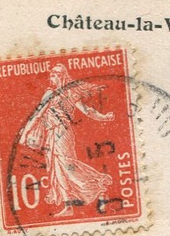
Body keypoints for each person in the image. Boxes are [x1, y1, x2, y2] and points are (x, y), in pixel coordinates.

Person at [20, 64, 114, 216]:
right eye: (51, 75)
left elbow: (86, 110)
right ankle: (68, 206)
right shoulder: (50, 93)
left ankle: (96, 182)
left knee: (66, 164)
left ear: (60, 76)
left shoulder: (69, 92)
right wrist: (27, 132)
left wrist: (103, 117)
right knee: (57, 169)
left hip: (62, 133)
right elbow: (39, 114)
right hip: (52, 134)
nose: (51, 78)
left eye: (54, 75)